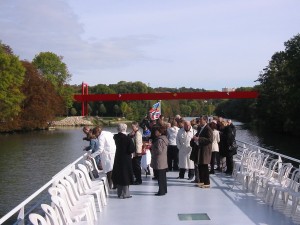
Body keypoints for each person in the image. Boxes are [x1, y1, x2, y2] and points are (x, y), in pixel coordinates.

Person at [112, 123, 135, 199]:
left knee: (119, 174)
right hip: (126, 158)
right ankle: (125, 193)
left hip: (118, 157)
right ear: (125, 129)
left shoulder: (115, 137)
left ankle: (119, 193)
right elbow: (131, 149)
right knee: (125, 175)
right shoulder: (127, 138)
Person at [190, 116, 213, 188]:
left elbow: (210, 140)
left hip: (205, 150)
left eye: (201, 120)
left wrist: (199, 138)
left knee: (204, 166)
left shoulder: (208, 129)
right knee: (200, 165)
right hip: (199, 150)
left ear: (205, 120)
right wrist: (194, 137)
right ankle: (202, 181)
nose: (199, 121)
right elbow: (197, 135)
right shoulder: (200, 128)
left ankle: (207, 183)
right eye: (199, 120)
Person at [150, 126, 169, 196]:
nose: (155, 132)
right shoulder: (164, 139)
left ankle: (161, 191)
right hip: (163, 160)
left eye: (156, 131)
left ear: (160, 132)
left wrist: (152, 148)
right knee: (163, 176)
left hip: (159, 160)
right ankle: (164, 189)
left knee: (160, 177)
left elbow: (159, 151)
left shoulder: (159, 140)